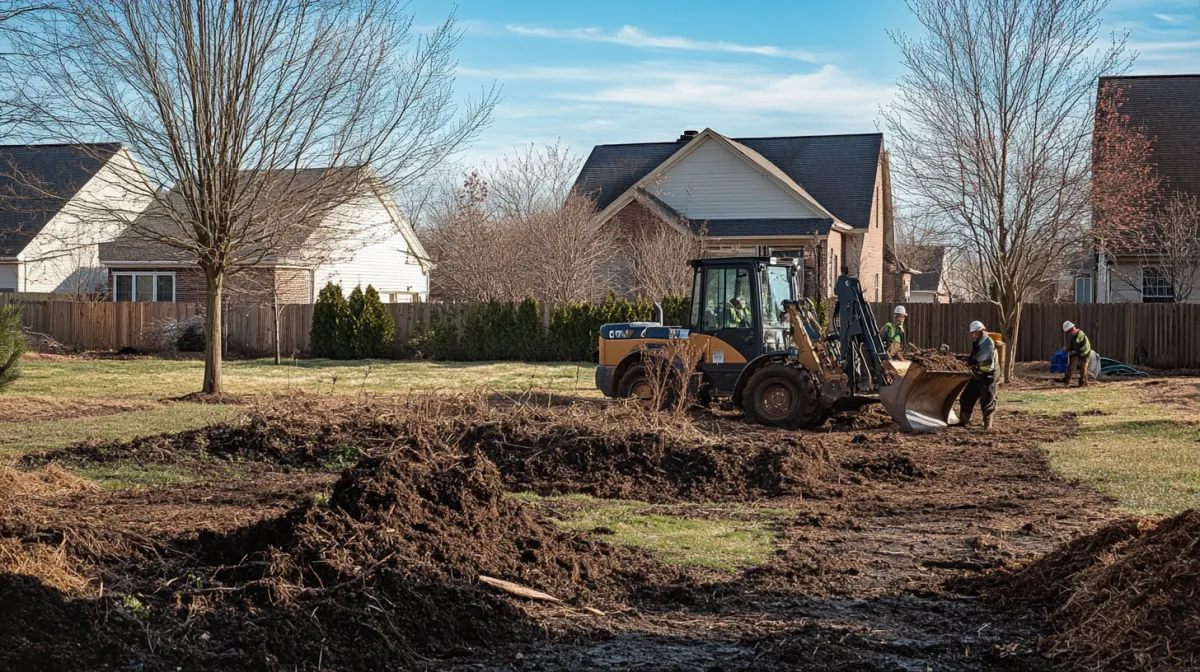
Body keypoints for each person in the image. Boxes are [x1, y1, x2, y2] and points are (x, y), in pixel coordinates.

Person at [959, 320, 997, 431]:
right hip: (977, 375)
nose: (972, 335)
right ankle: (964, 420)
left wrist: (972, 364)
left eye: (974, 333)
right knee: (966, 398)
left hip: (987, 376)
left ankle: (987, 425)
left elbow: (985, 362)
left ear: (980, 331)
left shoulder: (988, 343)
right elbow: (975, 357)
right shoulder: (978, 342)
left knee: (987, 400)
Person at [1062, 321, 1091, 388]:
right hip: (1077, 353)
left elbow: (1082, 348)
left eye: (1069, 331)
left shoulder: (1081, 335)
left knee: (1083, 369)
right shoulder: (1073, 335)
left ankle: (1083, 384)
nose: (1069, 333)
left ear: (1072, 329)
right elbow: (1073, 346)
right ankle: (1067, 382)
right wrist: (1068, 350)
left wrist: (1074, 352)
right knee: (1070, 367)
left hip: (1084, 354)